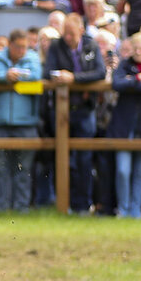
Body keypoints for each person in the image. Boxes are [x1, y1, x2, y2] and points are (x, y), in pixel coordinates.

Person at [46, 12, 107, 213]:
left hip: (85, 110)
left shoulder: (91, 45)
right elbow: (48, 71)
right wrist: (59, 77)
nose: (68, 38)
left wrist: (74, 78)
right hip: (62, 111)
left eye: (71, 34)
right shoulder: (56, 45)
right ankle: (64, 203)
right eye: (65, 33)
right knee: (64, 159)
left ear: (81, 30)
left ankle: (83, 204)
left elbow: (100, 72)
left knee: (84, 159)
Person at [0, 28, 44, 212]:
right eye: (18, 47)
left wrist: (17, 75)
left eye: (25, 47)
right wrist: (4, 76)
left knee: (23, 167)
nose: (22, 50)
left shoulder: (32, 57)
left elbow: (37, 75)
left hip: (26, 123)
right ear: (11, 44)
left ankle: (21, 206)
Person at [111, 33, 141, 218]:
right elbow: (117, 83)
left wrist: (131, 83)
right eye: (136, 48)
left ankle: (136, 211)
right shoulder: (124, 64)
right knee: (123, 170)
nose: (138, 52)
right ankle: (123, 209)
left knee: (140, 173)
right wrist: (137, 80)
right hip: (123, 126)